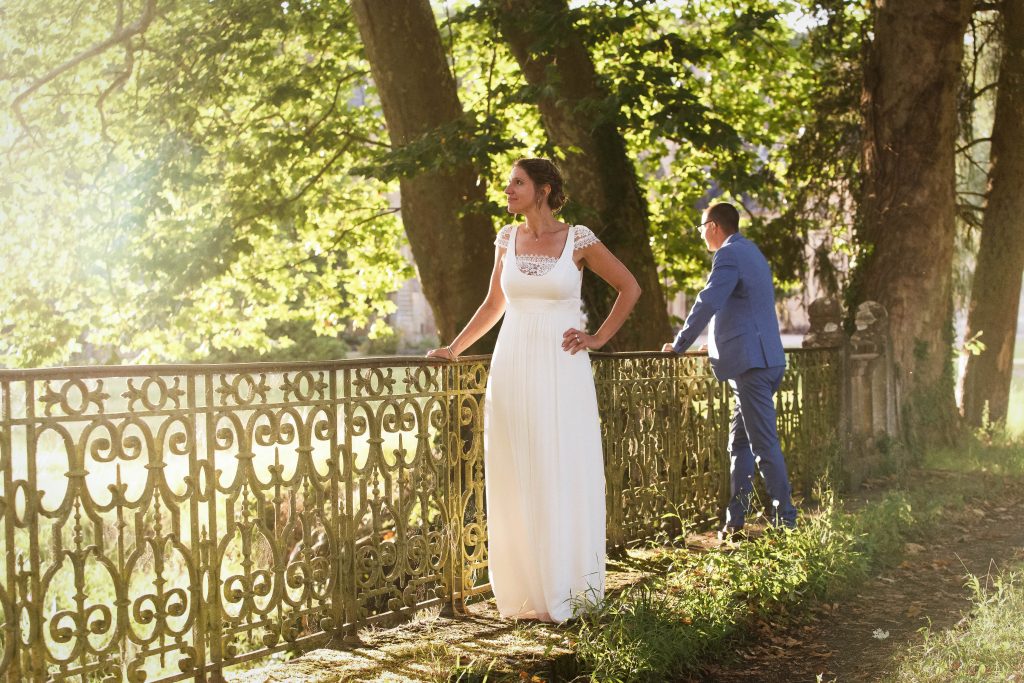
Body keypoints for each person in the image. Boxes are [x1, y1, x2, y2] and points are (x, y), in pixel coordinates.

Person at [427, 158, 641, 622]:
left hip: (562, 370)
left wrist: (597, 338)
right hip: (513, 366)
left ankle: (568, 590)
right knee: (516, 471)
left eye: (517, 183)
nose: (508, 190)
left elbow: (629, 286)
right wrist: (454, 348)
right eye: (509, 184)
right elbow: (493, 304)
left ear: (542, 190)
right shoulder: (507, 239)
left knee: (557, 467)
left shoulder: (577, 239)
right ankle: (526, 595)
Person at [661, 202, 797, 538]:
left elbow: (708, 302)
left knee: (764, 446)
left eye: (700, 227)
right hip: (762, 360)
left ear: (713, 226)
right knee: (739, 445)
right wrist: (718, 345)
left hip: (752, 366)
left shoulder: (727, 255)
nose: (701, 234)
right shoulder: (751, 252)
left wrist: (679, 344)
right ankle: (734, 522)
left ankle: (787, 523)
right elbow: (745, 308)